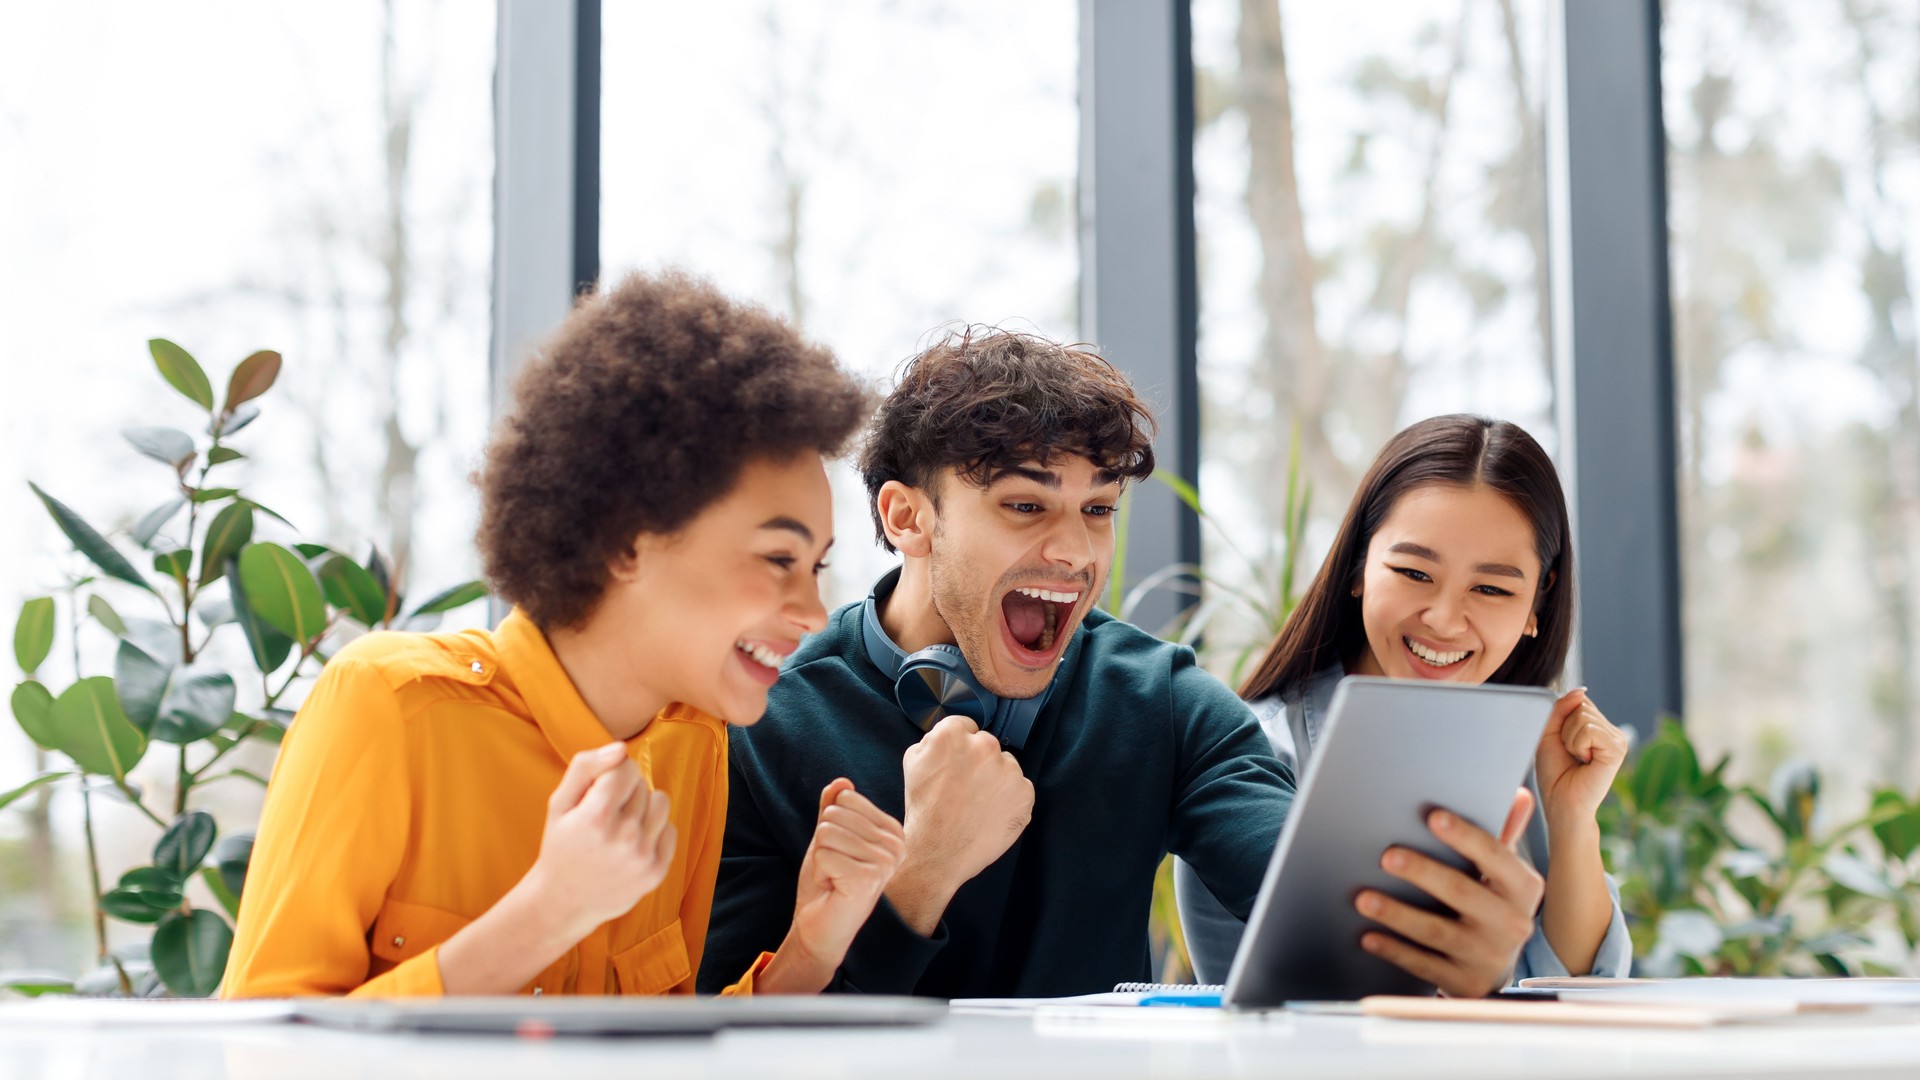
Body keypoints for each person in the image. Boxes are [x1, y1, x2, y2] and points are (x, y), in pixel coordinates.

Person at [223, 271, 907, 998]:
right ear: (626, 541)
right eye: (779, 559)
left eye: (816, 567)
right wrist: (548, 913)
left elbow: (655, 1054)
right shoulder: (389, 706)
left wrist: (811, 946)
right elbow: (258, 1050)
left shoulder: (694, 745)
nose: (810, 610)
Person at [698, 328, 1297, 998]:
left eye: (1097, 509)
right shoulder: (762, 721)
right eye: (1024, 505)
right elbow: (730, 1041)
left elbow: (1323, 903)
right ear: (907, 517)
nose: (1075, 551)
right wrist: (922, 874)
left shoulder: (1162, 699)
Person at [1174, 414, 1633, 995]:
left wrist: (1572, 821)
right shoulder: (1253, 763)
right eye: (1415, 572)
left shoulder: (1530, 746)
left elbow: (1587, 992)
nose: (1444, 620)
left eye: (1491, 588)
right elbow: (1297, 1030)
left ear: (1537, 605)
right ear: (1359, 568)